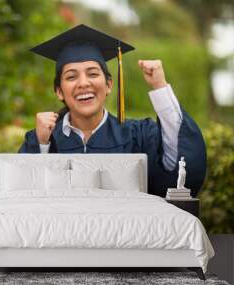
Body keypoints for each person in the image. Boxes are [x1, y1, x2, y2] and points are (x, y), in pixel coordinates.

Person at [18, 24, 206, 198]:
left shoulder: (137, 136)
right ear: (59, 91)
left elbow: (181, 169)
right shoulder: (43, 139)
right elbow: (22, 196)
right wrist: (41, 145)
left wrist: (159, 86)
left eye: (92, 74)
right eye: (71, 76)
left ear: (108, 85)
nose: (84, 83)